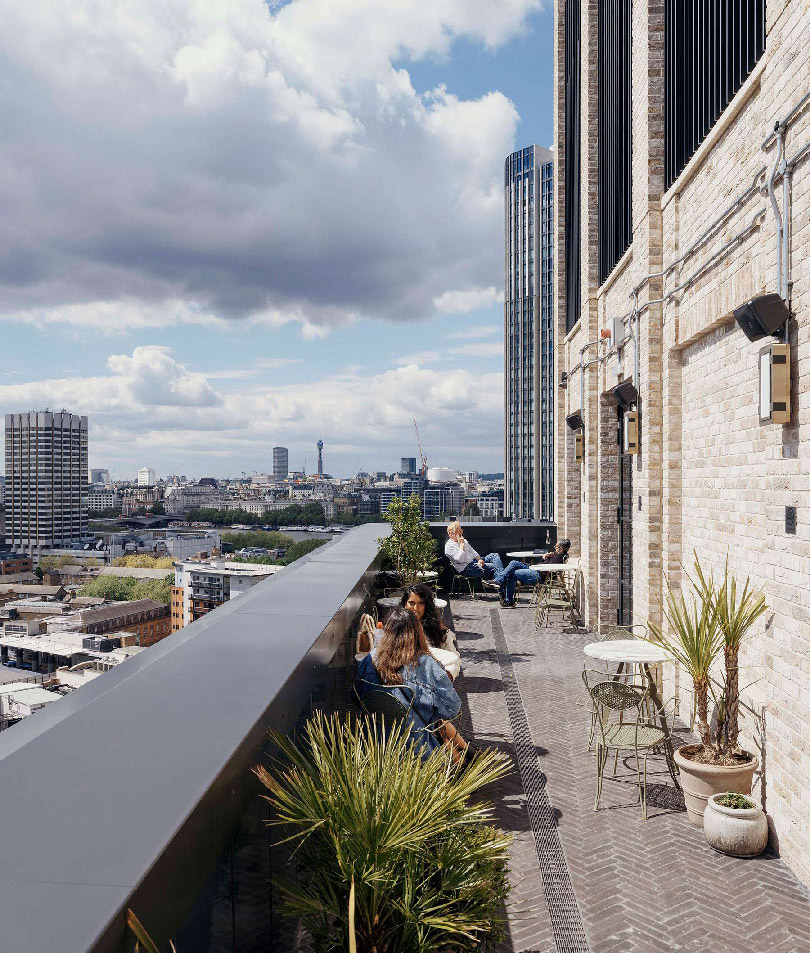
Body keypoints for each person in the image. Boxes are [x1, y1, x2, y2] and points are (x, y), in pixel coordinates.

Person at [356, 607, 469, 761]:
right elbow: (452, 708)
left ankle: (468, 753)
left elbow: (357, 697)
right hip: (418, 748)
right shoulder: (425, 664)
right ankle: (465, 760)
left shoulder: (369, 660)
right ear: (417, 632)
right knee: (441, 729)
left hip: (377, 741)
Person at [400, 583, 461, 680]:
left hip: (433, 675)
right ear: (405, 604)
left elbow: (454, 655)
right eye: (411, 603)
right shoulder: (398, 625)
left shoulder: (436, 627)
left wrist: (446, 675)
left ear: (426, 605)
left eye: (421, 603)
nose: (415, 608)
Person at [497, 539, 572, 607]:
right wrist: (544, 557)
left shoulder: (559, 557)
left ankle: (506, 596)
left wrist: (547, 558)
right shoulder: (556, 555)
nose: (554, 547)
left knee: (513, 574)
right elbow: (544, 563)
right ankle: (500, 582)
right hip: (534, 569)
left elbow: (547, 567)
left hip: (538, 575)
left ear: (560, 549)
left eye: (556, 546)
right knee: (513, 563)